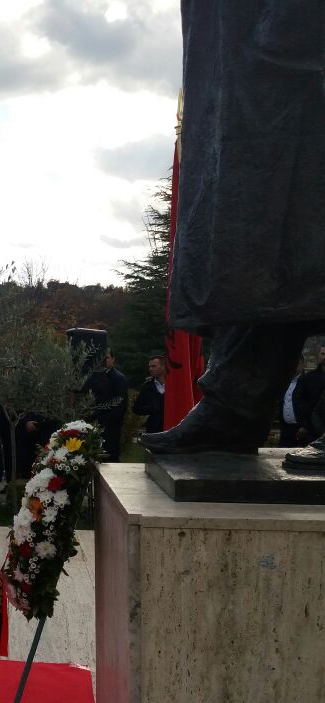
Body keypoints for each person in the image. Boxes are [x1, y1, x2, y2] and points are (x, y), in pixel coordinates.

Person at [139, 1, 324, 468]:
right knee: (259, 256)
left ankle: (232, 408)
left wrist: (293, 23)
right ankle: (233, 409)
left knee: (301, 243)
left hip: (287, 65)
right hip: (241, 81)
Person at [84, 349, 129, 462]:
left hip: (110, 427)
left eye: (107, 357)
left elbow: (120, 405)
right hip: (95, 424)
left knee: (109, 457)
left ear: (113, 359)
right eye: (102, 358)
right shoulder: (95, 377)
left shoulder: (118, 378)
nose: (104, 361)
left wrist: (103, 418)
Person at [292, 345, 325, 447]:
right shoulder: (307, 379)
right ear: (319, 355)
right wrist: (305, 424)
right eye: (323, 354)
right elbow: (298, 403)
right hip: (313, 430)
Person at [132, 355, 167, 435]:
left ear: (163, 366)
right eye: (149, 366)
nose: (150, 369)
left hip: (172, 429)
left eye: (154, 366)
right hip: (153, 431)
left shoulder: (175, 385)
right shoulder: (147, 386)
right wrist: (151, 408)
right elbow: (136, 408)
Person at [278, 357, 304, 447]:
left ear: (302, 364)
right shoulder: (283, 381)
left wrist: (305, 426)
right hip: (286, 428)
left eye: (298, 363)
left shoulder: (306, 381)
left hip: (301, 428)